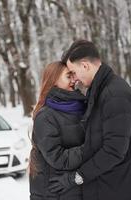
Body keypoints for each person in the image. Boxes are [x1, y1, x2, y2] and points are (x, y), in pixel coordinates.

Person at [48, 40, 131, 200]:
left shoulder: (114, 95)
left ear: (85, 66)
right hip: (120, 186)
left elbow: (113, 151)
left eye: (73, 72)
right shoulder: (101, 92)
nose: (75, 79)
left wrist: (77, 177)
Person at [29, 61, 87, 200]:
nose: (74, 80)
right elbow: (58, 158)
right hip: (54, 193)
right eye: (68, 76)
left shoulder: (81, 107)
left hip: (74, 189)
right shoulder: (45, 116)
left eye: (74, 75)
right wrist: (90, 148)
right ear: (54, 80)